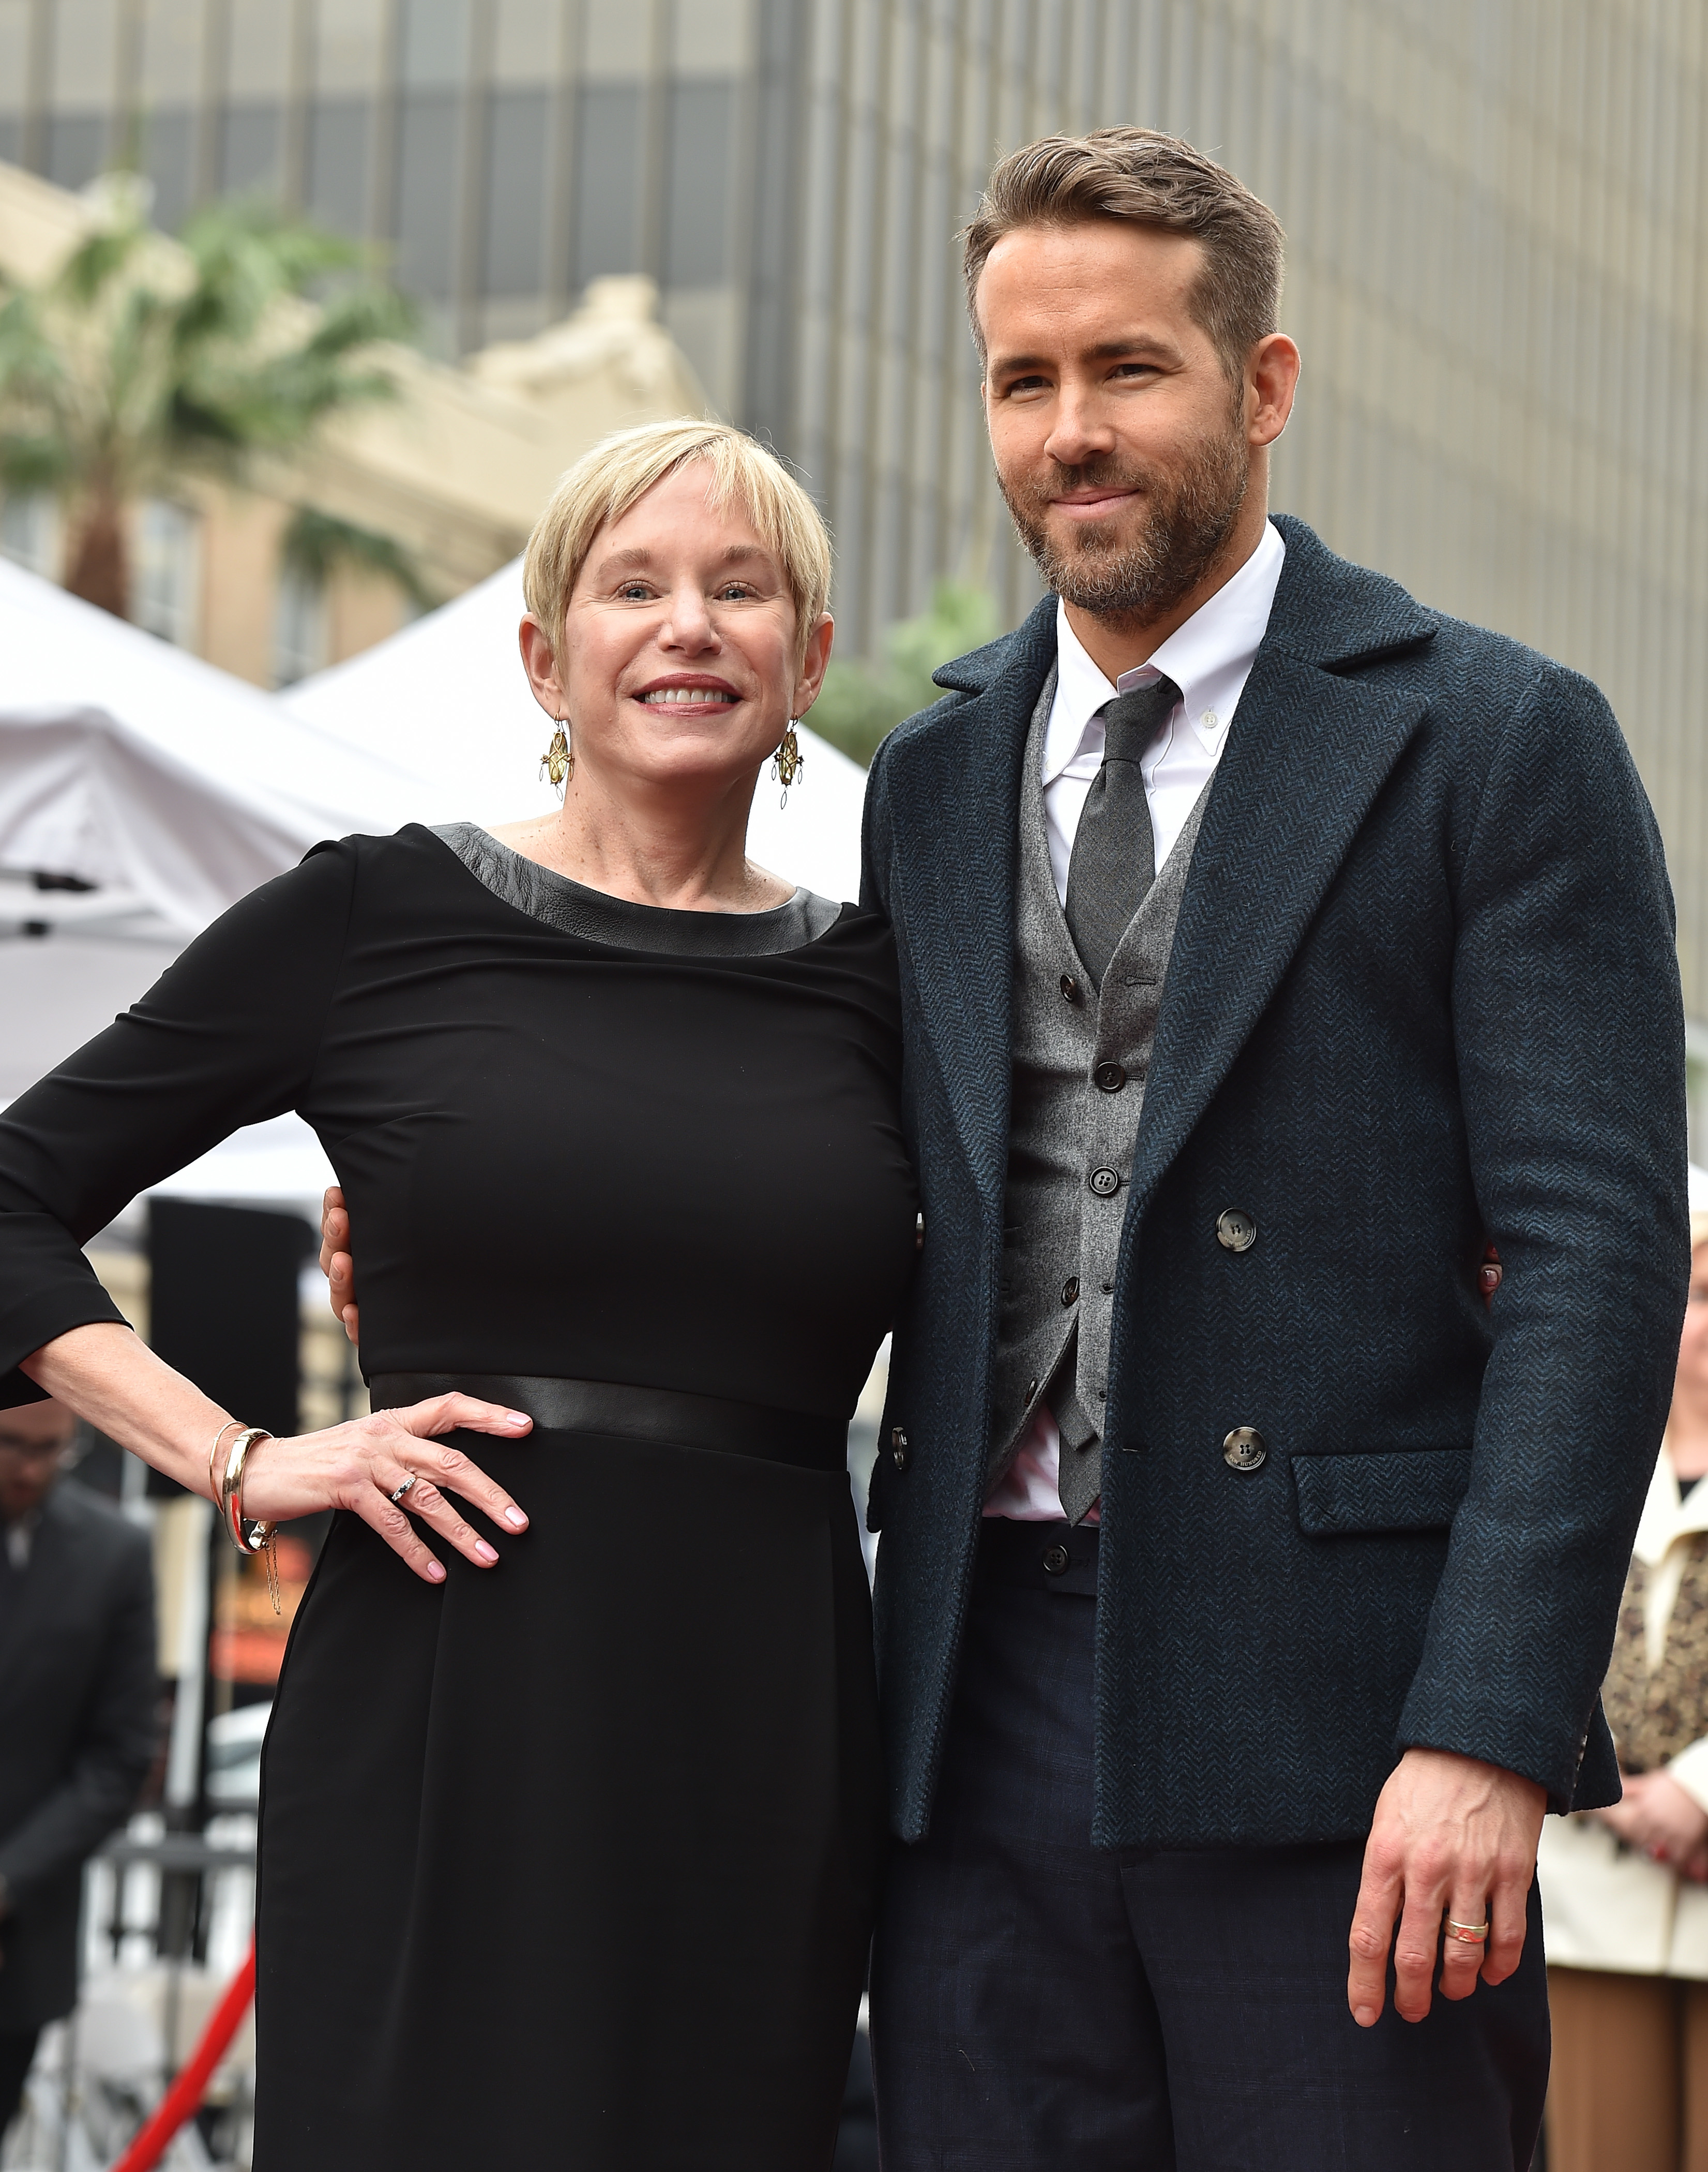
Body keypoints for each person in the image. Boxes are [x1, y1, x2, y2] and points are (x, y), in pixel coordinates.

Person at [847, 128, 1683, 2168]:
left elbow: (1592, 1254)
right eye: (1020, 381)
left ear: (1263, 384)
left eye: (1126, 369)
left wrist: (1485, 1728)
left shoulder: (1490, 738)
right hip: (973, 1711)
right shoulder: (930, 777)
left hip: (1348, 1722)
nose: (1068, 433)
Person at [0, 419, 917, 2171]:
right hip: (446, 1691)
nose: (687, 625)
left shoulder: (891, 986)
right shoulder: (373, 916)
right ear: (542, 655)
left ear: (807, 660)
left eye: (741, 589)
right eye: (631, 586)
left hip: (767, 1729)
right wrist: (243, 1458)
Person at [1537, 1205, 1708, 2171]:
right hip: (1590, 1905)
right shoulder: (1581, 1465)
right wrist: (1611, 1794)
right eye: (1704, 1293)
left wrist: (1699, 1792)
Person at [0, 1396, 156, 2146]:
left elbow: (120, 1755)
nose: (28, 1467)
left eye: (50, 1450)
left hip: (16, 1939)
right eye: (10, 1444)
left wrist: (9, 1879)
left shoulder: (114, 1553)